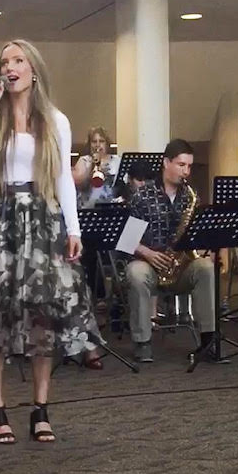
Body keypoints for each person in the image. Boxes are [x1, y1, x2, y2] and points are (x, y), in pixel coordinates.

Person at [0, 39, 102, 444]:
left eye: (18, 60)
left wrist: (74, 230)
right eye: (4, 61)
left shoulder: (55, 119)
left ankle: (40, 408)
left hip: (40, 215)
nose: (10, 66)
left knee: (43, 310)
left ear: (33, 69)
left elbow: (62, 182)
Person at [126, 139, 215, 362]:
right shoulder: (142, 196)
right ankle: (143, 342)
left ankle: (208, 340)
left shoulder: (189, 195)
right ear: (166, 162)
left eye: (189, 166)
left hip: (180, 266)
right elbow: (127, 240)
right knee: (135, 273)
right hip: (149, 263)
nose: (186, 171)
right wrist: (148, 254)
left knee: (205, 267)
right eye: (181, 165)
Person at [72, 126, 121, 208]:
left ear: (107, 144)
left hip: (112, 206)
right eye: (94, 142)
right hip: (89, 207)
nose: (98, 145)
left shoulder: (117, 160)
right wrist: (91, 167)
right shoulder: (84, 160)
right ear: (89, 144)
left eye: (101, 141)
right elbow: (78, 183)